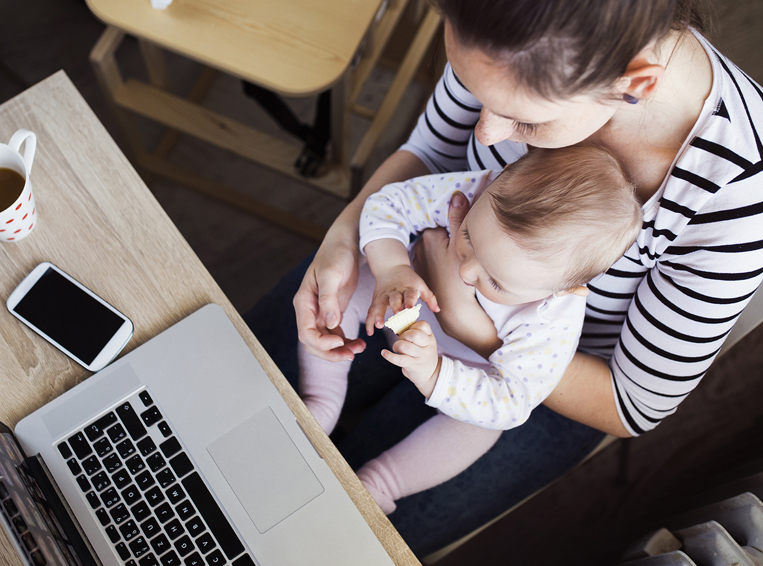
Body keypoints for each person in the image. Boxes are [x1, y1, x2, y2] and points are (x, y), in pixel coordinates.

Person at [244, 0, 763, 556]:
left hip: (546, 379)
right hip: (409, 260)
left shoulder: (739, 192)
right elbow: (428, 151)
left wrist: (471, 324)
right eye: (477, 94)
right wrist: (344, 239)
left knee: (330, 538)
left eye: (525, 119)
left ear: (634, 82)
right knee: (244, 410)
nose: (488, 135)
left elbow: (631, 404)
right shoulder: (505, 25)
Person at [298, 145, 642, 514]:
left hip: (467, 367)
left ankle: (381, 484)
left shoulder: (555, 317)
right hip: (401, 298)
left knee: (482, 427)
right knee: (345, 289)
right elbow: (388, 204)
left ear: (563, 289)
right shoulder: (479, 189)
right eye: (469, 239)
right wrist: (392, 269)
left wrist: (434, 374)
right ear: (498, 180)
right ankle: (321, 399)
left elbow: (511, 400)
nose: (464, 272)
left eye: (494, 281)